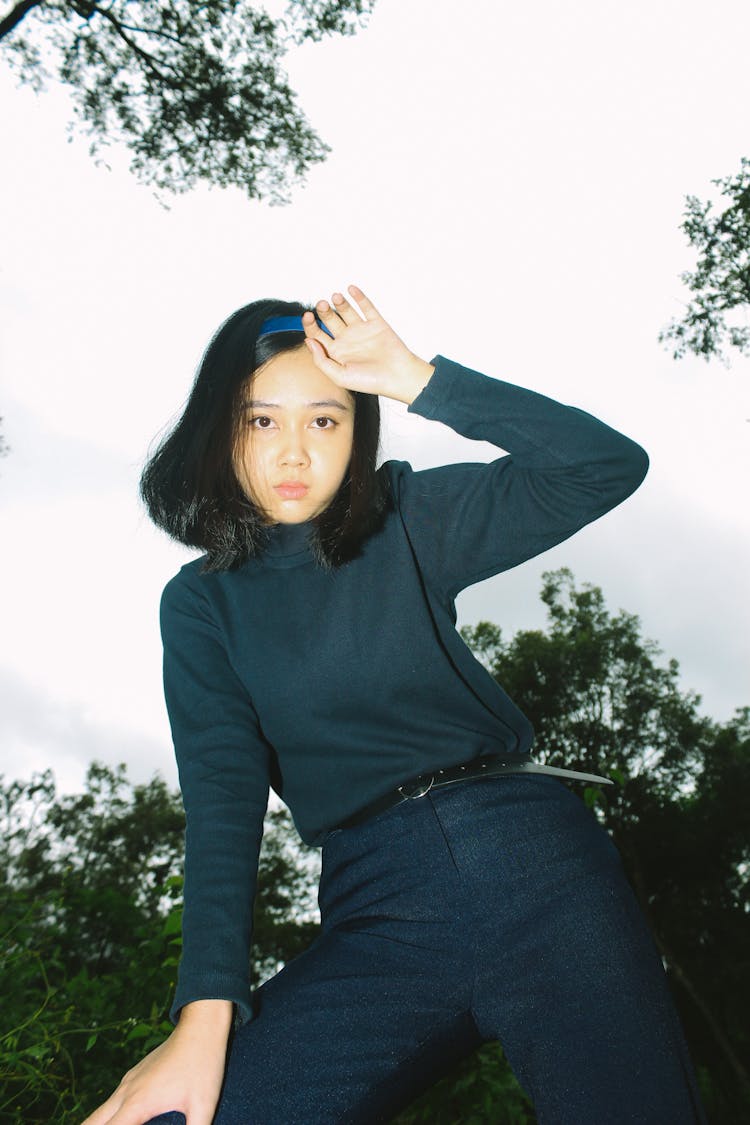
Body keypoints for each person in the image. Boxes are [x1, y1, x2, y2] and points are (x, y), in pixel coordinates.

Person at [82, 286, 705, 1125]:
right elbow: (223, 803)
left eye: (326, 420)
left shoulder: (404, 517)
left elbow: (601, 465)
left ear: (359, 430)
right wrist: (205, 1014)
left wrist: (416, 376)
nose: (294, 451)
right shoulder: (200, 604)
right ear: (218, 430)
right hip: (380, 909)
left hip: (534, 862)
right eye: (262, 420)